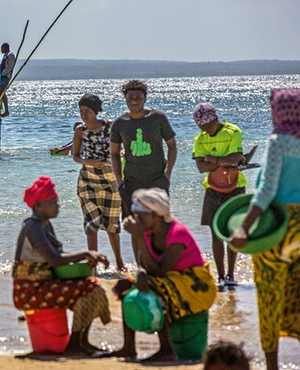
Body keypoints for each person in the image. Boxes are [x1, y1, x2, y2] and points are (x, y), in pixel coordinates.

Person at [229, 89, 300, 370]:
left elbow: (266, 190)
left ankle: (272, 366)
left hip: (279, 227)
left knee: (270, 295)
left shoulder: (278, 141)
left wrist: (244, 227)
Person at [103, 188, 216, 362]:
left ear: (155, 215)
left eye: (139, 215)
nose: (135, 219)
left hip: (196, 285)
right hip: (170, 280)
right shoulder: (148, 232)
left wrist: (138, 236)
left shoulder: (177, 233)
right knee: (124, 286)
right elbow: (144, 266)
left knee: (155, 286)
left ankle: (167, 349)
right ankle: (129, 347)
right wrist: (139, 274)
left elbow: (159, 270)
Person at [14, 176, 111, 355]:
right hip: (29, 290)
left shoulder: (44, 225)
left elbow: (58, 256)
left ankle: (81, 341)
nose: (57, 206)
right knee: (90, 289)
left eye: (57, 202)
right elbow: (55, 260)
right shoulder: (32, 227)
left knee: (92, 286)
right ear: (38, 206)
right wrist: (85, 253)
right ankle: (75, 344)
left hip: (43, 285)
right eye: (52, 203)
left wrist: (87, 256)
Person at [110, 80, 177, 261]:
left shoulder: (158, 118)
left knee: (160, 225)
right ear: (125, 99)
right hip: (131, 183)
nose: (134, 101)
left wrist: (167, 174)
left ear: (145, 99)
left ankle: (160, 264)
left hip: (157, 181)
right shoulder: (119, 124)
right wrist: (119, 181)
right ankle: (141, 266)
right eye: (130, 98)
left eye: (138, 98)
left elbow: (172, 146)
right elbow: (114, 154)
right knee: (136, 228)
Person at [192, 103, 246, 287]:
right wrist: (223, 162)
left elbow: (236, 159)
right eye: (202, 127)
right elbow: (201, 167)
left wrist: (212, 160)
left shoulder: (233, 132)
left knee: (233, 232)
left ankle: (231, 275)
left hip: (235, 187)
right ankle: (221, 276)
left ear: (215, 119)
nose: (205, 129)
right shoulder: (200, 138)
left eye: (208, 125)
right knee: (215, 234)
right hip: (212, 189)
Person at [72, 95, 124, 271]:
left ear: (96, 112)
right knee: (91, 223)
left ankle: (119, 262)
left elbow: (121, 149)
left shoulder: (110, 127)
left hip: (111, 181)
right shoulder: (80, 130)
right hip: (88, 181)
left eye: (87, 111)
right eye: (81, 112)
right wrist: (90, 162)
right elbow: (76, 156)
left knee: (113, 224)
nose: (83, 115)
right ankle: (92, 264)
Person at [0, 43, 16, 117]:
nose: (1, 50)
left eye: (2, 48)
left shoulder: (10, 55)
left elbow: (9, 66)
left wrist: (2, 73)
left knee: (2, 91)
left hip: (5, 76)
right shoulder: (5, 55)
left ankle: (6, 110)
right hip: (2, 76)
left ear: (4, 48)